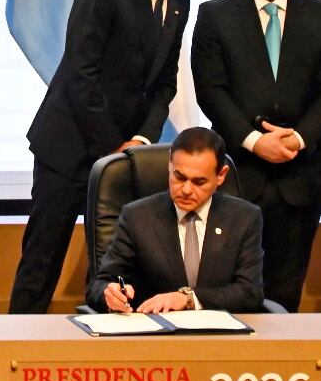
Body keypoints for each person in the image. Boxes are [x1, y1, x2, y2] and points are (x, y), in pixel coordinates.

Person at [8, 0, 220, 314]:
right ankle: (17, 338)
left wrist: (139, 141)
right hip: (69, 148)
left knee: (112, 266)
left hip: (125, 155)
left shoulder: (180, 1)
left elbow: (165, 82)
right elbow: (80, 75)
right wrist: (113, 145)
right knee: (42, 257)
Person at [191, 0, 321, 311]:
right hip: (238, 173)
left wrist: (297, 138)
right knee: (229, 289)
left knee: (285, 293)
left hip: (301, 174)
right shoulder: (215, 15)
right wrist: (254, 141)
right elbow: (211, 91)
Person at [86, 127, 266, 314]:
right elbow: (98, 285)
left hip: (219, 330)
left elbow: (250, 293)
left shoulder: (244, 218)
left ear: (221, 175)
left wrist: (188, 298)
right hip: (155, 327)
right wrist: (109, 295)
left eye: (199, 181)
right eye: (179, 177)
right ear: (169, 166)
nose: (186, 190)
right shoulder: (137, 217)